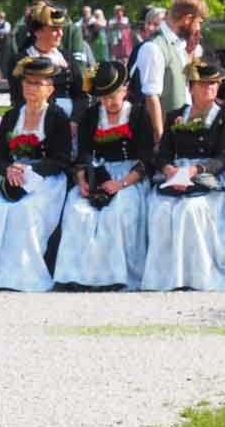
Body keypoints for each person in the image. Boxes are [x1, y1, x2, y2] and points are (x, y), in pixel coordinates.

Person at [0, 57, 71, 292]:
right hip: (13, 176)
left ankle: (24, 277)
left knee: (24, 210)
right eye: (28, 82)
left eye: (38, 83)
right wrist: (8, 169)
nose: (32, 88)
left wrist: (32, 170)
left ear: (50, 89)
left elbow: (62, 160)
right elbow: (0, 156)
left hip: (47, 179)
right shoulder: (11, 116)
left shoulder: (57, 117)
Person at [53, 61, 153, 290]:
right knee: (77, 209)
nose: (107, 103)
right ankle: (77, 276)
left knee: (116, 211)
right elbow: (84, 154)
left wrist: (121, 183)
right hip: (98, 174)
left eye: (112, 96)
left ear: (124, 90)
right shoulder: (91, 115)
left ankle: (114, 276)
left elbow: (148, 159)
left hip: (129, 178)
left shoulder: (138, 114)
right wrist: (83, 180)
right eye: (103, 98)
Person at [141, 59, 225, 291]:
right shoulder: (176, 115)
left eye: (214, 84)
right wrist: (169, 170)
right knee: (161, 208)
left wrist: (195, 171)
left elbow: (224, 157)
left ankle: (198, 276)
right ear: (191, 86)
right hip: (176, 173)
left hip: (211, 175)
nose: (210, 88)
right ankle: (165, 277)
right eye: (204, 84)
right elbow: (162, 153)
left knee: (190, 210)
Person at [130, 0, 207, 143]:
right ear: (187, 19)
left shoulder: (179, 45)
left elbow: (182, 84)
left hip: (178, 128)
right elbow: (152, 97)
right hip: (162, 134)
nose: (199, 28)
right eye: (198, 22)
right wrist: (160, 139)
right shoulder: (154, 47)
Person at [11, 3, 88, 126]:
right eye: (54, 29)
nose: (60, 34)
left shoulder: (66, 57)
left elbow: (81, 94)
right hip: (37, 121)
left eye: (61, 29)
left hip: (71, 123)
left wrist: (75, 120)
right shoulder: (22, 60)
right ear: (38, 32)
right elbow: (18, 98)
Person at [10, 0, 90, 68]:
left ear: (54, 7)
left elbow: (79, 69)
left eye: (44, 6)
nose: (38, 10)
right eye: (35, 5)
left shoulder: (71, 31)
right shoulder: (22, 31)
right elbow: (14, 66)